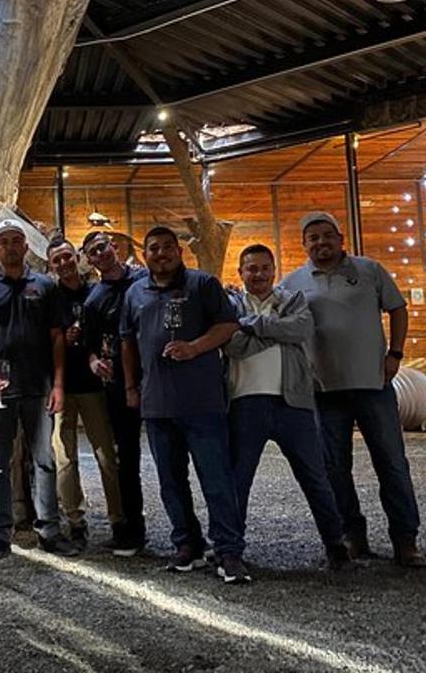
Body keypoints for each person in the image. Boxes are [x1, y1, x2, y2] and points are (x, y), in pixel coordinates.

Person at [281, 212, 426, 568]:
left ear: (340, 238)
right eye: (312, 238)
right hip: (324, 389)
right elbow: (287, 331)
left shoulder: (370, 270)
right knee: (334, 468)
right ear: (304, 244)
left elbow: (398, 309)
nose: (320, 243)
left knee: (392, 463)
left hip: (373, 385)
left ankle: (405, 540)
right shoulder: (292, 282)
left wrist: (395, 353)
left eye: (327, 236)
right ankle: (352, 537)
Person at [120, 226, 248, 584]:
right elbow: (127, 341)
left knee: (216, 479)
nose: (160, 254)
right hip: (158, 405)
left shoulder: (203, 285)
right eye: (153, 249)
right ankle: (186, 544)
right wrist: (131, 386)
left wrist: (194, 347)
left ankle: (228, 550)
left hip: (202, 402)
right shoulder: (135, 293)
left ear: (178, 251)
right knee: (170, 481)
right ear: (145, 255)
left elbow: (228, 326)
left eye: (166, 248)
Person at [223, 243, 353, 571]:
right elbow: (232, 344)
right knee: (238, 481)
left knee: (315, 476)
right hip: (244, 402)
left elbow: (301, 329)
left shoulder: (292, 300)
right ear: (241, 273)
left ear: (273, 270)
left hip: (292, 402)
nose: (259, 274)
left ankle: (336, 545)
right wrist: (276, 332)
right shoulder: (230, 303)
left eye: (265, 267)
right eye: (251, 269)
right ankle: (230, 549)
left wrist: (252, 325)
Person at [0, 218, 79, 560]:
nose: (11, 246)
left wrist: (58, 384)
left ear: (27, 247)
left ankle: (49, 530)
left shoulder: (45, 286)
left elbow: (58, 336)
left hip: (38, 386)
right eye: (5, 242)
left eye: (17, 241)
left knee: (44, 459)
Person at [46, 237, 124, 552]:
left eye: (67, 257)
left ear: (77, 258)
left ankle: (119, 518)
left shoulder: (96, 290)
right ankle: (75, 520)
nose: (64, 263)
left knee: (106, 453)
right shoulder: (49, 296)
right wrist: (61, 338)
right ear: (51, 266)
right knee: (65, 458)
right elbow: (43, 337)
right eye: (57, 260)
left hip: (93, 385)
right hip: (61, 385)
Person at [81, 230, 148, 556]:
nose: (100, 254)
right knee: (127, 458)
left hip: (158, 377)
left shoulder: (145, 281)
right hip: (120, 385)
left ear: (114, 247)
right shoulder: (94, 300)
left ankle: (189, 533)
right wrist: (94, 361)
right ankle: (132, 530)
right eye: (93, 252)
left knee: (174, 455)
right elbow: (90, 345)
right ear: (89, 260)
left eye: (102, 247)